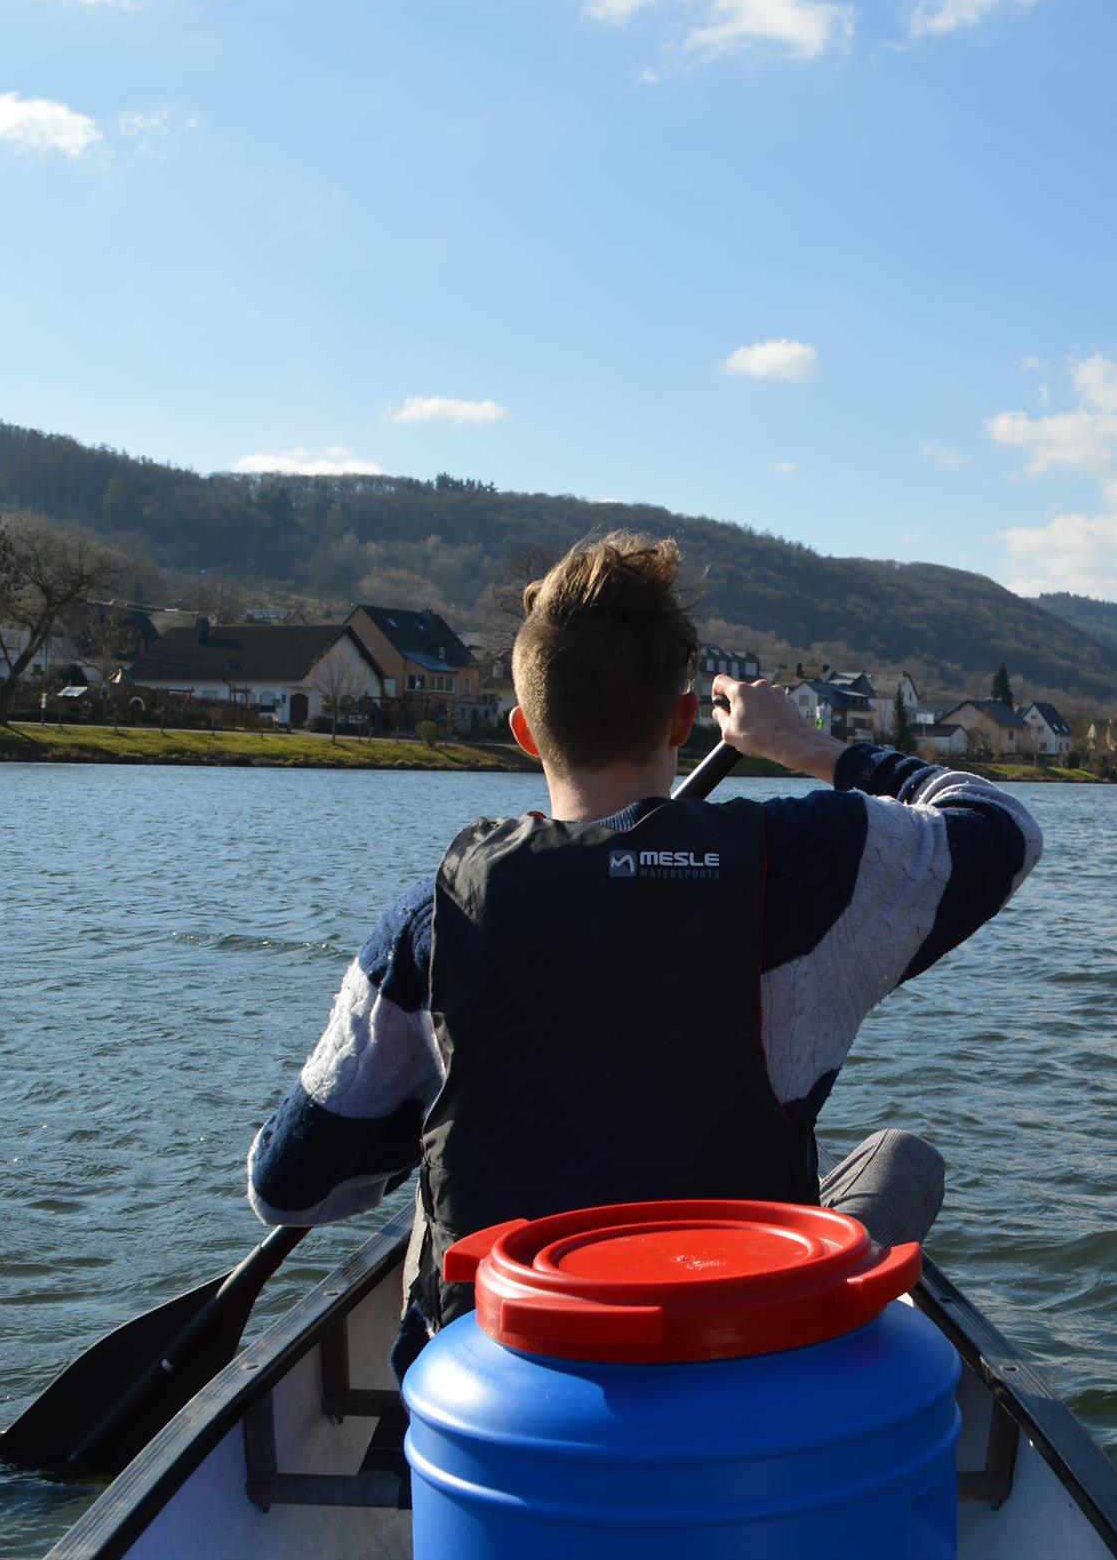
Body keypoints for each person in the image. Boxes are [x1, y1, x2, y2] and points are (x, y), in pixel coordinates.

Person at [243, 532, 1043, 1374]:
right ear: (682, 719)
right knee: (900, 1157)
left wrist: (440, 1118)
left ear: (523, 730)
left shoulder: (429, 923)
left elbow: (286, 1186)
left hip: (509, 1381)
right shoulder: (814, 865)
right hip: (741, 1356)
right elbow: (1001, 828)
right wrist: (805, 748)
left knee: (429, 1199)